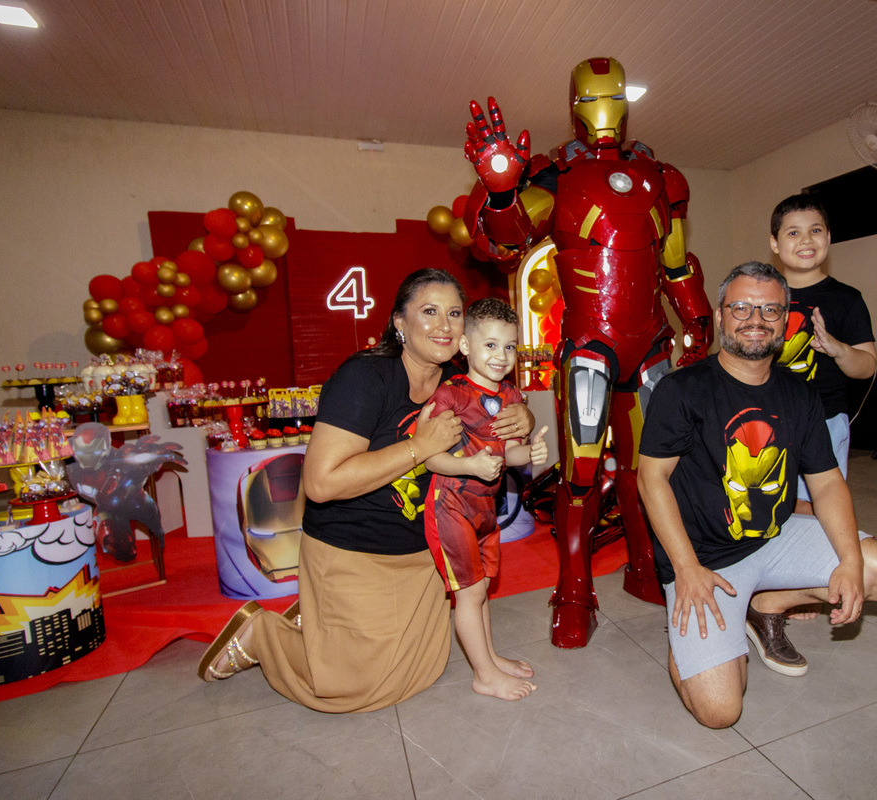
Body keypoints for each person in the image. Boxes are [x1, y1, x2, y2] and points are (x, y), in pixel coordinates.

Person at [196, 269, 534, 714]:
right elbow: (320, 484)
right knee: (353, 689)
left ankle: (318, 621)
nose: (444, 325)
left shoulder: (458, 378)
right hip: (353, 547)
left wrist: (524, 418)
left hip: (422, 553)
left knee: (423, 669)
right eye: (429, 311)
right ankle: (263, 633)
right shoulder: (365, 377)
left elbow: (506, 404)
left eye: (454, 313)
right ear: (399, 322)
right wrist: (419, 447)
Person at [461, 56, 715, 648]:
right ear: (575, 104)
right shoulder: (556, 178)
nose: (606, 109)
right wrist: (501, 190)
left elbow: (676, 263)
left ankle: (647, 565)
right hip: (591, 347)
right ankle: (574, 590)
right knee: (580, 474)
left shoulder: (661, 177)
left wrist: (697, 320)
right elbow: (506, 239)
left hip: (650, 345)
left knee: (651, 470)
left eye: (616, 95)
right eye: (595, 97)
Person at [636, 262, 877, 729]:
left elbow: (827, 482)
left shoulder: (800, 393)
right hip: (705, 561)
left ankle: (766, 604)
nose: (755, 319)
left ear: (785, 320)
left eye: (769, 310)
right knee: (721, 711)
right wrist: (686, 569)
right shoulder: (682, 390)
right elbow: (650, 480)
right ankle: (693, 644)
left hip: (773, 538)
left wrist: (849, 560)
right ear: (720, 316)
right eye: (740, 307)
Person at [423, 298, 549, 701]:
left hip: (484, 509)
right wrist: (470, 466)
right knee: (470, 592)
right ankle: (484, 675)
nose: (501, 356)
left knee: (483, 586)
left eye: (509, 347)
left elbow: (509, 452)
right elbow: (429, 457)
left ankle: (490, 658)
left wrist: (530, 453)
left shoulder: (510, 394)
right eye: (491, 345)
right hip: (450, 505)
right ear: (465, 346)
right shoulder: (451, 394)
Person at [769, 194, 877, 514]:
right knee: (770, 503)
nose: (806, 240)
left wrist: (838, 349)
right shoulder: (760, 295)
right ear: (774, 243)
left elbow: (867, 366)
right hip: (767, 418)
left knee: (821, 502)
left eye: (815, 230)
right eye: (793, 232)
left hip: (825, 420)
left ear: (828, 238)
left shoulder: (847, 299)